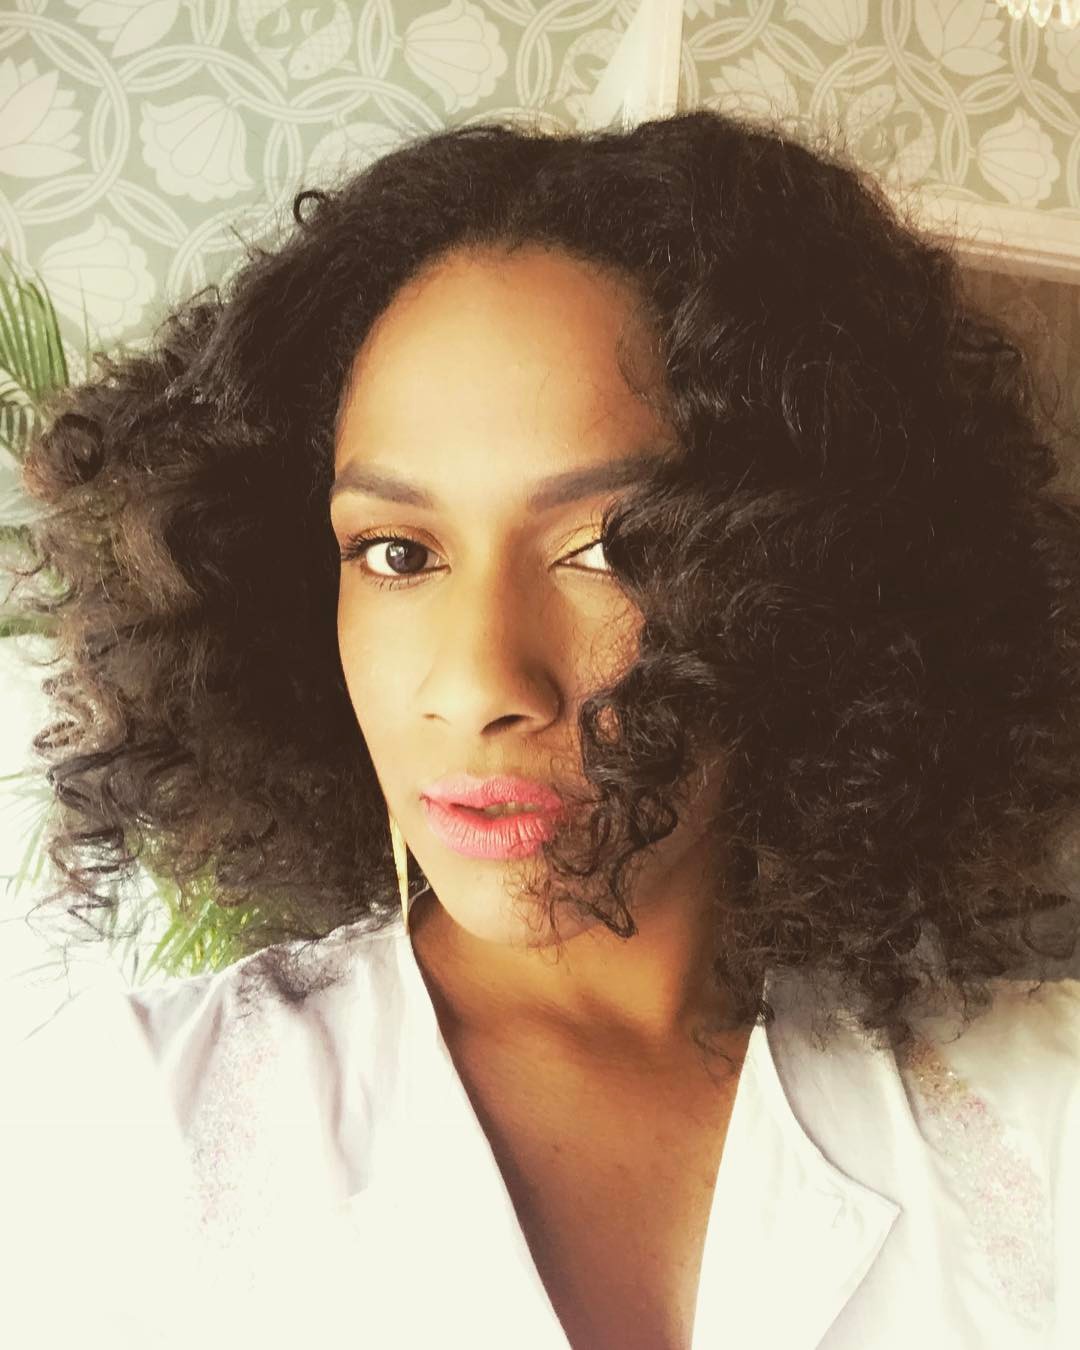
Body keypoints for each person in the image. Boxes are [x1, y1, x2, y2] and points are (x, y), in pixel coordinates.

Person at [4, 109, 1080, 1349]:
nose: (477, 683)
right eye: (397, 552)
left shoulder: (1036, 1116)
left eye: (613, 549)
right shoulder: (114, 1140)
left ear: (808, 580)